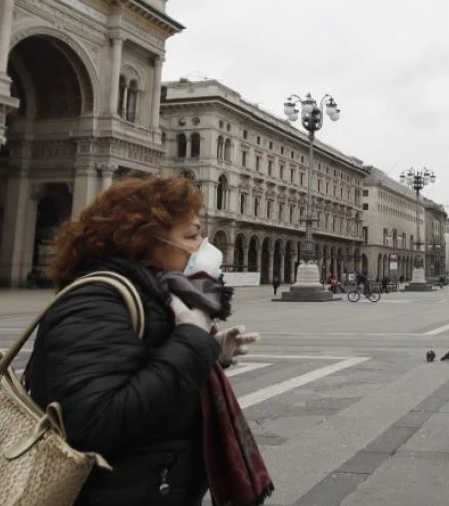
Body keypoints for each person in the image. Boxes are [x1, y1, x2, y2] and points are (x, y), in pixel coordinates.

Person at [25, 175, 269, 505]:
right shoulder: (95, 303)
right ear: (147, 240)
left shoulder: (154, 296)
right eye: (193, 235)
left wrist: (209, 354)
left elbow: (144, 371)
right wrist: (192, 343)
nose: (205, 248)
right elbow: (93, 423)